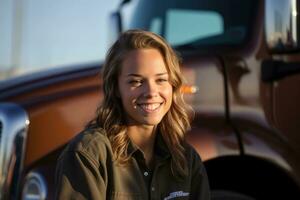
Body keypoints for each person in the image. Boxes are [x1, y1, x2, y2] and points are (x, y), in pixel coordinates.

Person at [55, 29, 210, 200]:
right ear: (116, 88)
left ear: (172, 85)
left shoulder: (187, 159)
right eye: (136, 81)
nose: (151, 92)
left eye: (161, 80)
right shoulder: (88, 155)